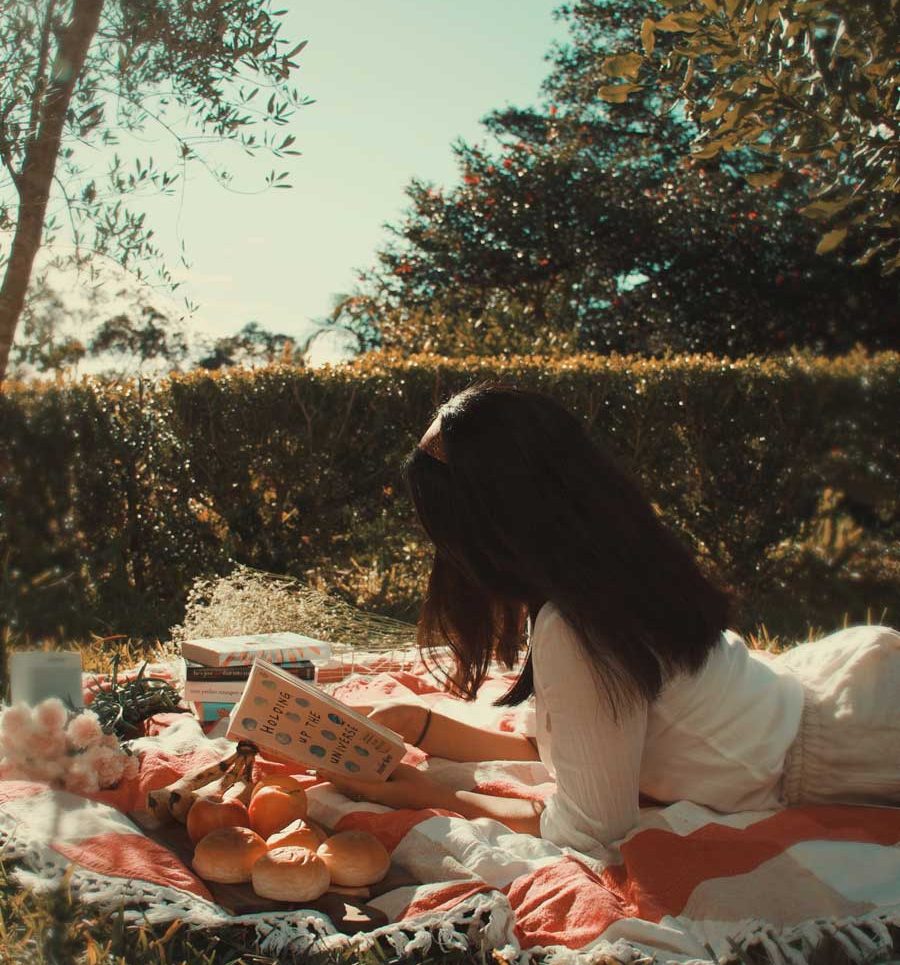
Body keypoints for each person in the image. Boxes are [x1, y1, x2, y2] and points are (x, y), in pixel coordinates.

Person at [326, 384, 900, 852]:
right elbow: (574, 744)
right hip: (832, 702)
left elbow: (591, 828)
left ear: (485, 533)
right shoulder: (605, 570)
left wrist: (429, 795)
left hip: (857, 747)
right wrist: (422, 724)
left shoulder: (575, 629)